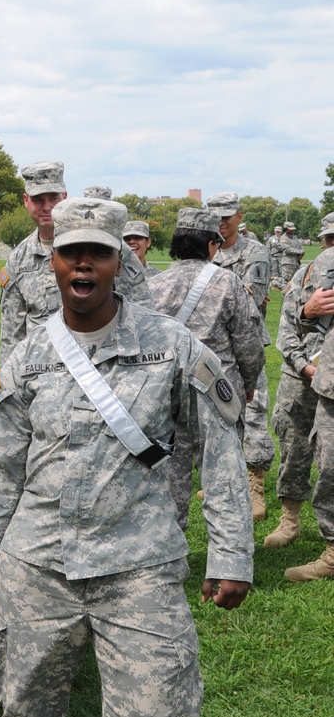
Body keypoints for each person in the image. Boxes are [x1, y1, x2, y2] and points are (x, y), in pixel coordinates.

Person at [0, 198, 252, 717]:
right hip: (40, 562)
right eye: (70, 253)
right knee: (25, 707)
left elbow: (222, 452)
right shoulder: (30, 355)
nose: (83, 265)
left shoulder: (174, 348)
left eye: (98, 253)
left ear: (122, 262)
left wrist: (230, 552)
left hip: (141, 564)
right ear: (53, 262)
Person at [149, 209, 264, 526]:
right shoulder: (229, 283)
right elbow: (249, 344)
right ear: (212, 244)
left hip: (168, 396)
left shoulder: (154, 285)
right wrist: (251, 382)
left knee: (170, 483)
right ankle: (227, 566)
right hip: (218, 395)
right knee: (225, 483)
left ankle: (170, 558)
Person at [0, 164, 150, 364]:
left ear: (65, 197)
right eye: (38, 199)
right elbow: (11, 332)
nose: (46, 207)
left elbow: (142, 313)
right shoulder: (18, 259)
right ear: (26, 201)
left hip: (100, 368)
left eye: (53, 198)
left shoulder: (111, 250)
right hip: (42, 370)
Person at [263, 214, 334, 548]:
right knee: (294, 446)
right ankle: (289, 519)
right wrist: (307, 311)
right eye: (330, 241)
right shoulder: (304, 276)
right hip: (300, 377)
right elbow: (286, 331)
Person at [209, 192, 274, 520]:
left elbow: (253, 298)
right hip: (212, 347)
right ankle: (223, 477)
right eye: (216, 215)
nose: (222, 221)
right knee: (216, 413)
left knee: (252, 410)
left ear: (239, 215)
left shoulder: (254, 251)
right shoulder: (206, 250)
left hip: (246, 346)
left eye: (227, 215)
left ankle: (255, 483)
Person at [283, 235, 334, 580]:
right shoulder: (319, 268)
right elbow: (295, 320)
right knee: (328, 461)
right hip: (326, 378)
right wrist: (308, 310)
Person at [280, 221, 305, 288]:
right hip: (288, 264)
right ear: (285, 229)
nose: (292, 230)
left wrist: (302, 252)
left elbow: (300, 246)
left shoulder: (295, 237)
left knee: (296, 281)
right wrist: (299, 252)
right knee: (288, 283)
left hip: (296, 262)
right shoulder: (284, 238)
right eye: (290, 229)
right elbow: (287, 250)